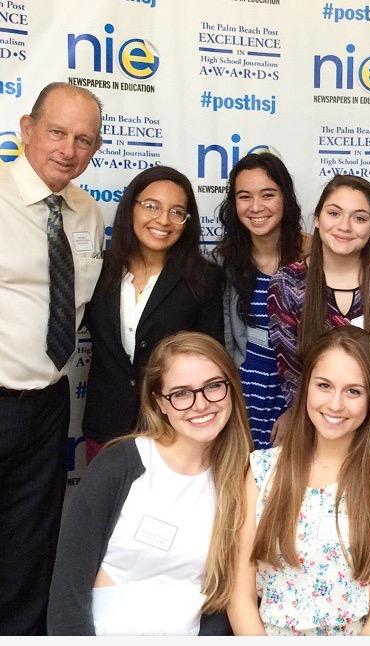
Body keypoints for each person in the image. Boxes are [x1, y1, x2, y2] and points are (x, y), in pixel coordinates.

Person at [47, 331, 253, 635]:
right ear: (159, 403)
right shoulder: (120, 464)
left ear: (231, 390)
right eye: (181, 393)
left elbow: (221, 602)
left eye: (213, 386)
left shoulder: (241, 480)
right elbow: (67, 595)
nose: (201, 404)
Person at [0, 81, 104, 635]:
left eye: (84, 139)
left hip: (47, 403)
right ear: (26, 129)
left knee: (29, 541)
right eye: (57, 132)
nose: (69, 149)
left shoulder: (87, 213)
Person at [228, 326, 370, 635]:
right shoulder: (262, 469)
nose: (335, 404)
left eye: (354, 391)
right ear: (306, 388)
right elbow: (239, 595)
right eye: (324, 385)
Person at [82, 165, 224, 463]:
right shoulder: (98, 269)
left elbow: (211, 360)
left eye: (176, 212)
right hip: (106, 427)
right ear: (130, 208)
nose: (163, 220)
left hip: (174, 430)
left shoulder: (204, 279)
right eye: (151, 206)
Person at [268, 174, 370, 412]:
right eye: (334, 213)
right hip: (319, 418)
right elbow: (292, 375)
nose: (344, 226)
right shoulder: (287, 282)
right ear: (318, 219)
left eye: (359, 218)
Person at [216, 152, 307, 449]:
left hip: (300, 395)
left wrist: (298, 408)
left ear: (285, 198)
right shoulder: (225, 260)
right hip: (244, 394)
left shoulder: (315, 255)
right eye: (244, 196)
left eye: (268, 195)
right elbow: (226, 340)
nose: (256, 207)